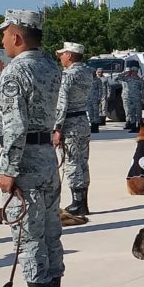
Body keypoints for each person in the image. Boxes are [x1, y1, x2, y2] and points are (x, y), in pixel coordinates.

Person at [0, 9, 64, 287]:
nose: (2, 40)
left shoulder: (15, 72)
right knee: (50, 231)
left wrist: (8, 169)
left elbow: (15, 126)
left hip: (26, 161)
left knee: (28, 235)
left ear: (17, 37)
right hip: (46, 155)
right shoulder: (50, 66)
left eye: (5, 33)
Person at [53, 42, 94, 215]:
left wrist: (57, 128)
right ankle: (83, 202)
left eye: (62, 54)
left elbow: (62, 103)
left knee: (71, 162)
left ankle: (77, 203)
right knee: (82, 162)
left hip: (69, 123)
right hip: (82, 120)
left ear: (69, 55)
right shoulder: (87, 72)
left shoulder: (68, 75)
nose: (60, 57)